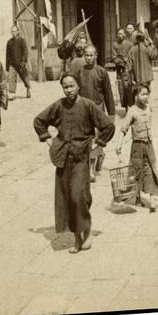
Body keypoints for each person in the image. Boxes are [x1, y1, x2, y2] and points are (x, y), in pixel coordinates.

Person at [33, 73, 115, 253]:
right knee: (66, 197)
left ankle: (88, 230)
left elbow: (108, 126)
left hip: (81, 157)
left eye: (72, 86)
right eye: (65, 87)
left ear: (78, 86)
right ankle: (77, 239)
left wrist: (98, 143)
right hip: (62, 157)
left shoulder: (88, 105)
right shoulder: (58, 105)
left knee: (78, 195)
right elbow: (39, 121)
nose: (69, 90)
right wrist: (46, 138)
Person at [116, 84, 158, 212]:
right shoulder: (132, 111)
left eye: (147, 94)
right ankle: (137, 196)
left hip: (149, 145)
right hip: (137, 146)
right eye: (142, 94)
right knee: (137, 171)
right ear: (136, 96)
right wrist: (119, 144)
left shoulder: (148, 108)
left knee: (151, 169)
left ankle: (152, 199)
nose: (145, 97)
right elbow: (123, 129)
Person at [76, 45, 116, 180]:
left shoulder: (101, 72)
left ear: (96, 55)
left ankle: (91, 170)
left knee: (95, 139)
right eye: (86, 55)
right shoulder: (80, 72)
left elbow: (108, 93)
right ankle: (99, 155)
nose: (88, 58)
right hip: (83, 111)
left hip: (98, 110)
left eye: (91, 55)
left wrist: (111, 114)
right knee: (86, 139)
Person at [5, 25, 31, 100]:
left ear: (18, 31)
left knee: (24, 78)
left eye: (15, 31)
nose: (13, 33)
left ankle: (28, 89)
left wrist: (24, 61)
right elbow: (8, 54)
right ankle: (12, 94)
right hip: (12, 64)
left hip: (20, 64)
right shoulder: (9, 42)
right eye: (12, 31)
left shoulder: (22, 41)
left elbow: (25, 51)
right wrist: (7, 66)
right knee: (11, 78)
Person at [111, 27, 133, 109]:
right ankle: (125, 107)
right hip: (120, 70)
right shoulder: (115, 44)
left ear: (125, 34)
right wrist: (122, 61)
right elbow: (114, 57)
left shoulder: (129, 44)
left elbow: (132, 55)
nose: (121, 35)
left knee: (130, 87)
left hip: (129, 69)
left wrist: (128, 61)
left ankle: (131, 106)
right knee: (122, 88)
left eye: (122, 33)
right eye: (119, 34)